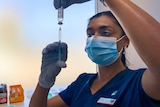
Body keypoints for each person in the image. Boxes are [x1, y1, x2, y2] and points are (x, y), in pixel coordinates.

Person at [29, 0, 160, 107]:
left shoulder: (137, 83)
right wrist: (44, 82)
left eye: (105, 33)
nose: (95, 38)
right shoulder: (82, 82)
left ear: (125, 41)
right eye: (90, 34)